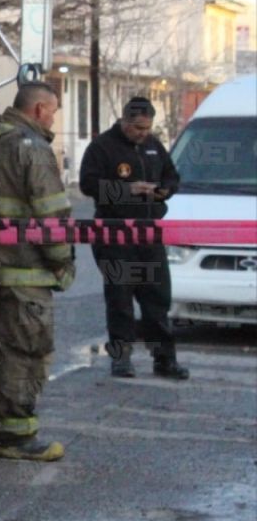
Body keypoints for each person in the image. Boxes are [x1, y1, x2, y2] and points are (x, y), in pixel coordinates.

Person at [0, 82, 75, 462]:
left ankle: (3, 433)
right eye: (54, 111)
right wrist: (62, 261)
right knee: (25, 354)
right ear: (39, 109)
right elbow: (52, 214)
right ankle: (16, 439)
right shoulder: (33, 148)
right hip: (27, 271)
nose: (54, 118)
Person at [79, 96, 187, 380]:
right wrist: (128, 190)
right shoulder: (102, 147)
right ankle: (121, 359)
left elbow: (172, 177)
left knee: (157, 299)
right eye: (138, 127)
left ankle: (164, 359)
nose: (143, 133)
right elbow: (88, 185)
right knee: (120, 299)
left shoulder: (153, 146)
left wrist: (161, 192)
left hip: (148, 233)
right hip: (114, 236)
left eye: (147, 128)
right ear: (125, 121)